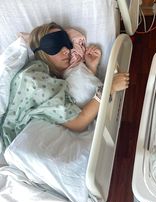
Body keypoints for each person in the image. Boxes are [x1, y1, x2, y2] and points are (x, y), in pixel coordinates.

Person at [1, 22, 129, 147]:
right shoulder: (35, 78)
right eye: (55, 44)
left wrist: (90, 68)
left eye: (67, 44)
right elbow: (79, 122)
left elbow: (74, 96)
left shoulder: (51, 78)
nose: (67, 51)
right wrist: (109, 88)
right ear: (41, 51)